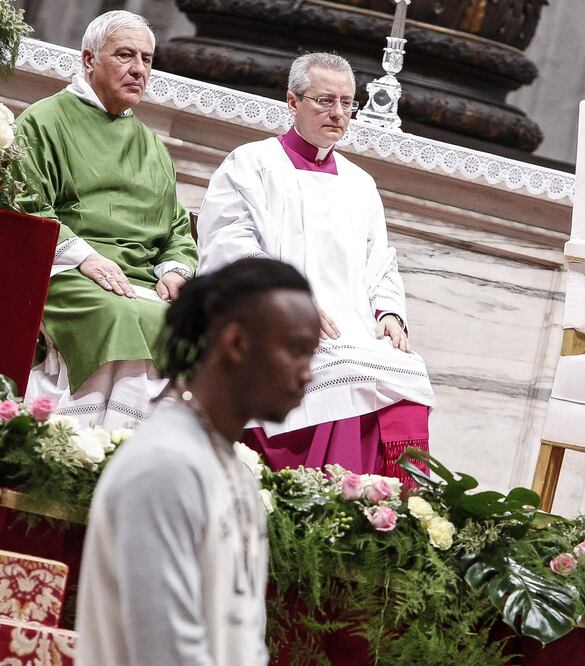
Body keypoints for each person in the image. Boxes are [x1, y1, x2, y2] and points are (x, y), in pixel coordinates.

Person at [197, 52, 434, 485]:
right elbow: (227, 247)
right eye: (325, 101)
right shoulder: (251, 164)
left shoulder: (360, 183)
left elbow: (380, 262)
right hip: (271, 319)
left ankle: (379, 512)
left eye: (347, 103)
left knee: (405, 374)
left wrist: (391, 315)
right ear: (292, 101)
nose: (338, 113)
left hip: (350, 325)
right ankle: (320, 498)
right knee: (341, 374)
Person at [75, 257, 320, 665]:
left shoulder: (234, 469)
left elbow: (243, 640)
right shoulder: (165, 465)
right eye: (297, 351)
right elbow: (166, 653)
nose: (307, 373)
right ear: (236, 343)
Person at [15, 10, 197, 429]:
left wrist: (174, 271)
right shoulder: (44, 121)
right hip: (69, 271)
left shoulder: (152, 146)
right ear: (88, 59)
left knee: (193, 325)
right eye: (125, 55)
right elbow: (27, 207)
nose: (138, 69)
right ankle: (91, 444)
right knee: (118, 315)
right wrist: (85, 258)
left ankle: (150, 455)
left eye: (147, 59)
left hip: (141, 280)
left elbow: (175, 230)